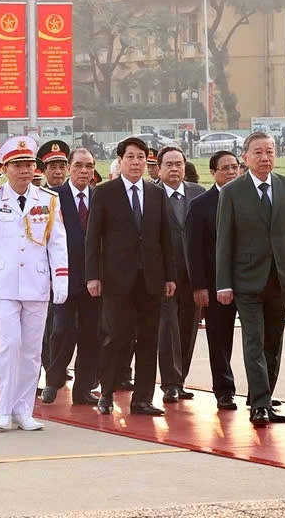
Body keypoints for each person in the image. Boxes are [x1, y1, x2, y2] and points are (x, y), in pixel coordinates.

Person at [0, 136, 69, 431]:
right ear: (5, 168)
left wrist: (60, 278)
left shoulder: (48, 200)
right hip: (2, 283)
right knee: (9, 343)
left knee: (32, 349)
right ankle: (3, 407)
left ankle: (24, 408)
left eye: (29, 164)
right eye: (18, 165)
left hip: (36, 283)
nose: (25, 170)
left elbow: (57, 243)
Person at [216, 132, 285, 427]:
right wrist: (223, 283)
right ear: (245, 157)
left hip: (279, 279)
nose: (265, 157)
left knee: (274, 342)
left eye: (270, 152)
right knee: (253, 341)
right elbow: (224, 241)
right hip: (246, 281)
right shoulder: (232, 192)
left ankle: (266, 398)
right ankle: (258, 404)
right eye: (258, 152)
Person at [86, 136, 175, 416]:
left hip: (150, 279)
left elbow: (166, 238)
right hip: (116, 280)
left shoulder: (156, 193)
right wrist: (93, 276)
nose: (136, 162)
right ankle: (107, 393)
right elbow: (93, 238)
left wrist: (170, 276)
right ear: (120, 161)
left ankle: (143, 399)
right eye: (131, 157)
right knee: (118, 337)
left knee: (149, 339)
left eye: (141, 158)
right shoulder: (105, 192)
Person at [41, 147, 100, 406]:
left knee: (92, 334)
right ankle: (54, 380)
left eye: (88, 166)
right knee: (61, 330)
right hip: (62, 278)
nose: (84, 171)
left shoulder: (101, 197)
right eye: (78, 166)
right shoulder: (53, 197)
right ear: (68, 168)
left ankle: (83, 388)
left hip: (94, 279)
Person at [185, 150, 241, 410]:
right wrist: (199, 286)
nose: (231, 172)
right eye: (225, 168)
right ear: (213, 173)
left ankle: (260, 393)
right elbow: (193, 249)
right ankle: (224, 390)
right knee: (219, 339)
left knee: (258, 340)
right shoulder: (201, 204)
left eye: (234, 167)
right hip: (216, 285)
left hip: (249, 282)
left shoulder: (249, 199)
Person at [155, 146, 206, 403]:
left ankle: (181, 379)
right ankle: (170, 384)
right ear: (159, 168)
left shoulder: (198, 193)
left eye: (179, 164)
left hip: (193, 275)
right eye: (169, 164)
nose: (174, 169)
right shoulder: (151, 195)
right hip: (165, 275)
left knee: (189, 327)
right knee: (168, 329)